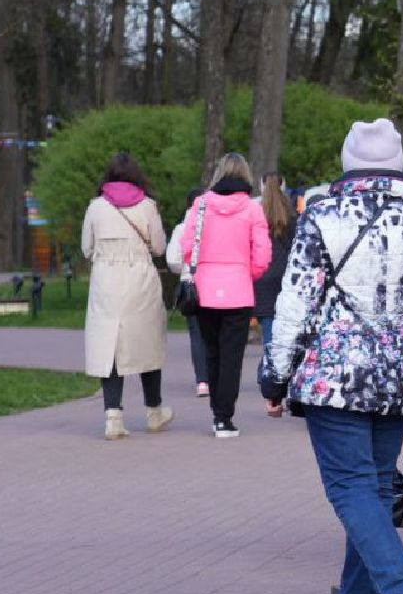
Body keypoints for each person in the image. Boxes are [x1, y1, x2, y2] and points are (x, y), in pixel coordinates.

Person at [260, 118, 403, 594]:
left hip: (335, 376)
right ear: (397, 165)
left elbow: (295, 302)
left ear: (348, 164)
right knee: (370, 487)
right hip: (399, 377)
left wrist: (275, 376)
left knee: (350, 487)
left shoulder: (322, 217)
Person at [81, 153, 172, 439]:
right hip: (139, 279)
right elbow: (159, 247)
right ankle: (154, 411)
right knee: (147, 342)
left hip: (106, 280)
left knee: (109, 344)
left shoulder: (96, 208)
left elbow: (86, 247)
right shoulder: (147, 206)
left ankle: (113, 417)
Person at [183, 153, 271, 437]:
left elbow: (187, 247)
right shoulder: (252, 209)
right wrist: (248, 273)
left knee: (212, 352)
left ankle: (215, 411)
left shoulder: (200, 205)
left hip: (205, 290)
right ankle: (224, 417)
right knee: (232, 356)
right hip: (238, 289)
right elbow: (262, 253)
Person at [254, 172, 296, 417]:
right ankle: (286, 386)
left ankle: (272, 391)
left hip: (263, 279)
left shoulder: (256, 214)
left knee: (271, 338)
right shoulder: (291, 215)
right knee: (289, 334)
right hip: (286, 279)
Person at [165, 189, 211, 397]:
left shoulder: (181, 229)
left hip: (190, 284)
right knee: (215, 332)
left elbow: (173, 260)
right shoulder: (214, 226)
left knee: (197, 334)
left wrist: (185, 268)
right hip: (213, 283)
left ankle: (202, 380)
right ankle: (216, 375)